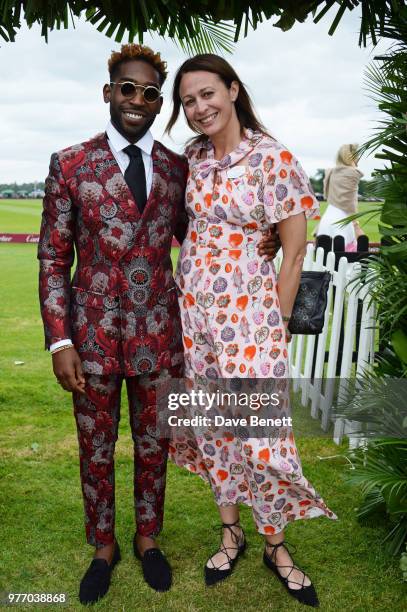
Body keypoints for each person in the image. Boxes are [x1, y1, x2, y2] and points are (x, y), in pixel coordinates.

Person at [38, 44, 278, 605]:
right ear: (109, 92)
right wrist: (60, 339)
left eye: (150, 93)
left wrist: (265, 236)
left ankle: (148, 539)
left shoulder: (178, 166)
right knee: (95, 447)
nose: (138, 101)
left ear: (156, 102)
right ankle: (104, 546)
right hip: (91, 340)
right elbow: (53, 259)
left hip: (160, 338)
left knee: (154, 445)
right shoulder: (71, 163)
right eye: (128, 89)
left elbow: (205, 234)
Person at [166, 54, 336, 608]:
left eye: (208, 94)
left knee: (261, 437)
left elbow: (291, 252)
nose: (199, 108)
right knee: (215, 429)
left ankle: (276, 544)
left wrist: (275, 328)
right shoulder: (190, 159)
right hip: (196, 320)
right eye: (188, 100)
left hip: (251, 323)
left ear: (233, 90)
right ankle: (230, 531)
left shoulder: (272, 157)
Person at [316, 143, 364, 251]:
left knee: (325, 260)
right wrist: (356, 226)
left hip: (328, 217)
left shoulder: (332, 172)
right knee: (344, 261)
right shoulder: (352, 173)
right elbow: (350, 203)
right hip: (343, 221)